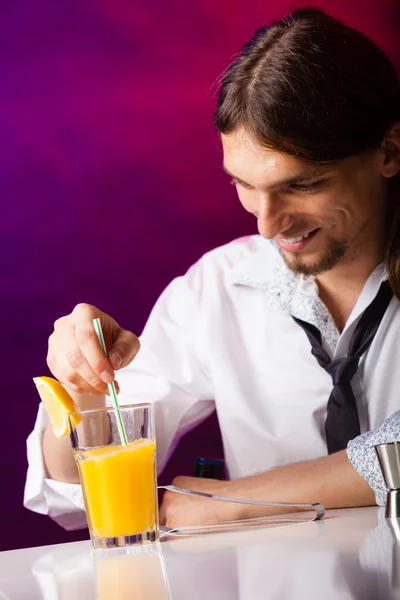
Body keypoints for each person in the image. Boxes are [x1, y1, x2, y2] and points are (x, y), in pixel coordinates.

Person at [24, 8, 400, 531]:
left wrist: (236, 501)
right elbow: (78, 497)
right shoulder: (218, 288)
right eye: (243, 184)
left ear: (388, 151)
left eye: (302, 185)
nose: (268, 226)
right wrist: (83, 386)